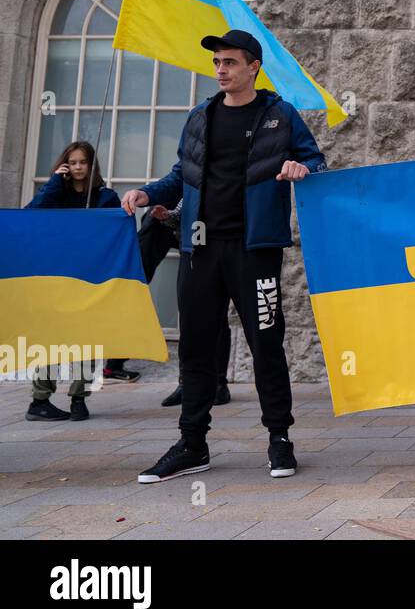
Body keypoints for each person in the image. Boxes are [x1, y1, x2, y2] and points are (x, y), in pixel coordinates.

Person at [123, 29, 326, 483]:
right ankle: (192, 443)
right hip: (199, 250)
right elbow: (181, 175)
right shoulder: (200, 116)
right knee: (195, 348)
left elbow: (317, 162)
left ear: (253, 66)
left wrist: (301, 167)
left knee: (266, 345)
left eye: (230, 62)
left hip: (255, 252)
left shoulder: (281, 116)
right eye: (217, 63)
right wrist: (146, 192)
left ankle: (279, 439)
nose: (221, 70)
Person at [23, 141, 120, 422]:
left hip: (90, 277)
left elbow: (116, 234)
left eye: (82, 162)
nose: (78, 167)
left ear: (91, 165)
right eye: (72, 162)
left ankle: (79, 398)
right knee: (51, 338)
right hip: (55, 274)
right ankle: (39, 400)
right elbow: (32, 214)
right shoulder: (56, 194)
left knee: (87, 338)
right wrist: (55, 182)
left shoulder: (105, 197)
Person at [144, 204, 233, 409]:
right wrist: (166, 216)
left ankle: (219, 383)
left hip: (223, 245)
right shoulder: (190, 174)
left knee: (217, 317)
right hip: (191, 246)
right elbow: (180, 209)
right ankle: (187, 384)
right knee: (190, 316)